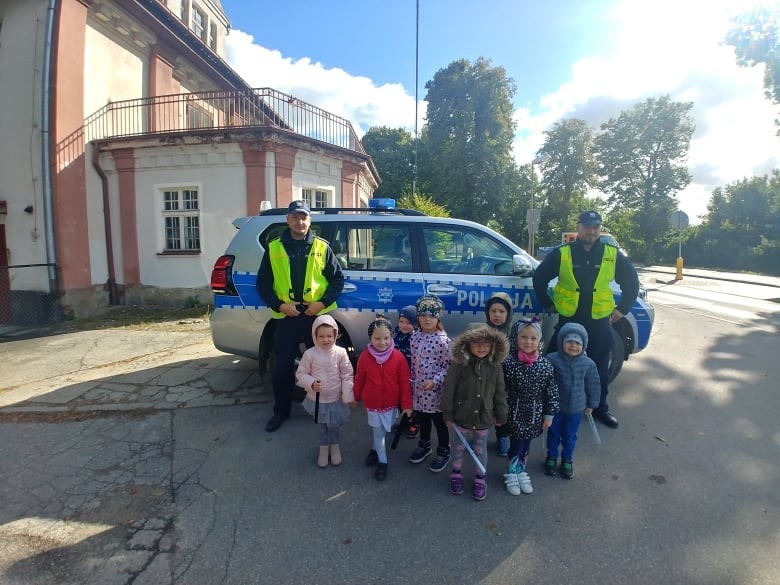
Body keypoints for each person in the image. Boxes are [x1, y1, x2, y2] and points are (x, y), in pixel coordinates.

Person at [532, 210, 639, 429]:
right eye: (588, 226)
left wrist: (623, 308)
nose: (592, 230)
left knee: (599, 366)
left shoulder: (612, 253)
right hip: (570, 318)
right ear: (578, 227)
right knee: (555, 361)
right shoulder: (563, 252)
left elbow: (631, 281)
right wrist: (547, 303)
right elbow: (540, 277)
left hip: (599, 320)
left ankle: (600, 407)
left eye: (596, 227)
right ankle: (548, 405)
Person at [257, 200, 344, 433]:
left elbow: (338, 279)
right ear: (288, 220)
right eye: (295, 217)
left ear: (310, 220)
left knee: (325, 364)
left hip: (315, 317)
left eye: (304, 217)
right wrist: (279, 305)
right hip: (287, 317)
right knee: (282, 368)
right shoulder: (273, 248)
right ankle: (281, 412)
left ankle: (325, 409)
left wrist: (321, 303)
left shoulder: (321, 247)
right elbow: (263, 284)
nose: (300, 221)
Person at [441, 324, 509, 501]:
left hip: (484, 416)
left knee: (480, 448)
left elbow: (500, 392)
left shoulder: (495, 366)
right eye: (476, 342)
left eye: (486, 343)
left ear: (493, 345)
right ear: (467, 344)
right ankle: (456, 473)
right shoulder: (459, 365)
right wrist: (447, 413)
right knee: (458, 447)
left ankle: (480, 477)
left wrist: (501, 414)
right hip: (461, 415)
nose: (481, 347)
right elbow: (449, 389)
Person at [502, 320, 560, 495]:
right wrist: (499, 411)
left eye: (533, 338)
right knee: (516, 443)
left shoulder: (545, 365)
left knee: (527, 443)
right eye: (524, 337)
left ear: (539, 341)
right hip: (515, 410)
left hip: (535, 411)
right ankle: (511, 472)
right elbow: (501, 388)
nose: (528, 341)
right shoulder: (509, 363)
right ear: (516, 338)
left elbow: (551, 390)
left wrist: (549, 414)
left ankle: (521, 469)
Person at [354, 316, 413, 480]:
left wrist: (407, 405)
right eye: (377, 338)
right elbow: (359, 379)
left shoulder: (398, 357)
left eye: (386, 338)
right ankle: (383, 462)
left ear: (391, 337)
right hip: (372, 404)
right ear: (370, 338)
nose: (382, 342)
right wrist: (355, 396)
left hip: (391, 404)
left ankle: (374, 450)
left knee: (384, 430)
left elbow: (404, 383)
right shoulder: (365, 357)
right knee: (378, 432)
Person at [296, 315, 356, 468]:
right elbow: (301, 373)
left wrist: (347, 395)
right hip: (317, 400)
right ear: (314, 336)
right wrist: (311, 383)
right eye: (321, 336)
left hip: (335, 399)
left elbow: (347, 374)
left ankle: (335, 447)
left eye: (329, 335)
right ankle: (323, 449)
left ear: (335, 335)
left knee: (334, 425)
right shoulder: (310, 354)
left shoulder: (341, 352)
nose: (326, 339)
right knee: (322, 425)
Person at [544, 322, 600, 480]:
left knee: (569, 435)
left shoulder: (588, 364)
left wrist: (592, 404)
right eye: (569, 341)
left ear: (583, 345)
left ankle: (567, 459)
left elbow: (593, 385)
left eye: (577, 343)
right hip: (556, 408)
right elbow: (545, 383)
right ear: (561, 342)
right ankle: (552, 456)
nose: (573, 345)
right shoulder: (551, 359)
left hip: (576, 409)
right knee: (554, 433)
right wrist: (545, 403)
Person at [408, 294, 452, 472]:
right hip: (419, 391)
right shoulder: (415, 336)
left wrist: (435, 381)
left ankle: (444, 450)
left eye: (432, 316)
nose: (427, 319)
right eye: (424, 315)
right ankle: (425, 444)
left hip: (435, 393)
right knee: (423, 419)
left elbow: (448, 366)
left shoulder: (443, 341)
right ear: (418, 317)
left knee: (439, 422)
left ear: (438, 318)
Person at [483, 292, 513, 457]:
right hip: (485, 379)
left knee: (502, 410)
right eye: (493, 311)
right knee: (482, 408)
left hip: (505, 382)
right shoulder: (482, 331)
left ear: (508, 314)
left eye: (501, 311)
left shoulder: (513, 335)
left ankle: (503, 436)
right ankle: (480, 437)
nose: (497, 315)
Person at [393, 305, 419, 438]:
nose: (404, 325)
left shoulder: (416, 338)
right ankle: (404, 421)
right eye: (401, 321)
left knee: (411, 401)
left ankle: (413, 424)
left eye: (408, 323)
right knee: (400, 400)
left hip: (411, 376)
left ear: (415, 323)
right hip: (397, 375)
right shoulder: (395, 335)